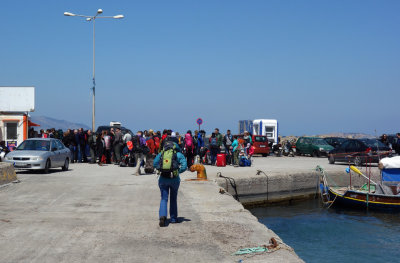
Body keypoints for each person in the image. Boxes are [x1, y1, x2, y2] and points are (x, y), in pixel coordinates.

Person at [153, 140, 187, 227]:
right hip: (174, 180)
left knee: (164, 198)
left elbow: (154, 163)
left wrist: (161, 169)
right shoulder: (179, 154)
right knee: (173, 198)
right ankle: (173, 218)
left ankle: (162, 217)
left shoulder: (162, 153)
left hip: (163, 179)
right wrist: (177, 171)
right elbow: (184, 166)